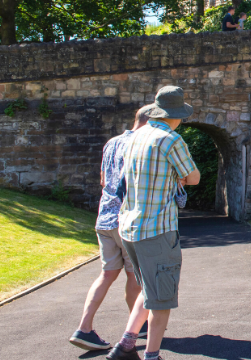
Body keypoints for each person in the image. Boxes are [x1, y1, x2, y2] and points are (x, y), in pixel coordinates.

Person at [106, 86, 201, 360]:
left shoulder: (135, 137)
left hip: (129, 228)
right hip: (157, 229)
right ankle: (152, 355)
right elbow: (193, 177)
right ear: (176, 115)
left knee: (149, 289)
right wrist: (180, 176)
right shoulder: (171, 140)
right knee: (162, 297)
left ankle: (126, 344)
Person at [69, 108, 150, 352]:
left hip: (104, 218)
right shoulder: (141, 143)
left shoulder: (111, 142)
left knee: (107, 274)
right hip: (126, 219)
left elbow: (104, 180)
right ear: (150, 122)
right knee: (135, 276)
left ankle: (84, 328)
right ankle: (134, 328)